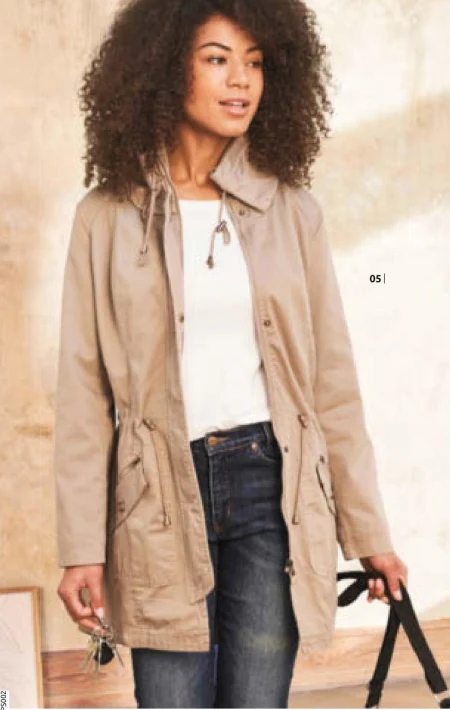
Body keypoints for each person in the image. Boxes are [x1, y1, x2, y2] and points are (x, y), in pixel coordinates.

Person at [54, 0, 408, 707]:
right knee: (171, 698)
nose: (241, 79)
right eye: (217, 59)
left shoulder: (293, 212)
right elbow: (83, 394)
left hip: (270, 487)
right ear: (164, 68)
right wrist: (80, 547)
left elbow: (331, 384)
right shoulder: (105, 217)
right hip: (156, 495)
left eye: (254, 62)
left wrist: (369, 531)